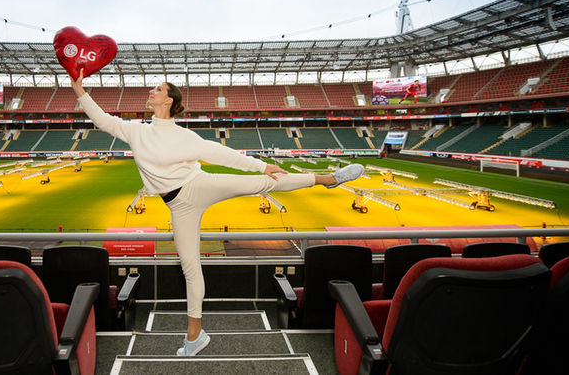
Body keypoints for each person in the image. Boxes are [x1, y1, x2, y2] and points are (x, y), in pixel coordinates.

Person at [70, 69, 364, 356]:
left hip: (198, 186)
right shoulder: (136, 131)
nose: (151, 91)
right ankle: (195, 335)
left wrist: (262, 165)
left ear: (169, 100)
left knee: (263, 183)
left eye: (158, 89)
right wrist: (79, 89)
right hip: (177, 205)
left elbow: (222, 154)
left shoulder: (184, 137)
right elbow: (102, 120)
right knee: (190, 267)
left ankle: (328, 179)